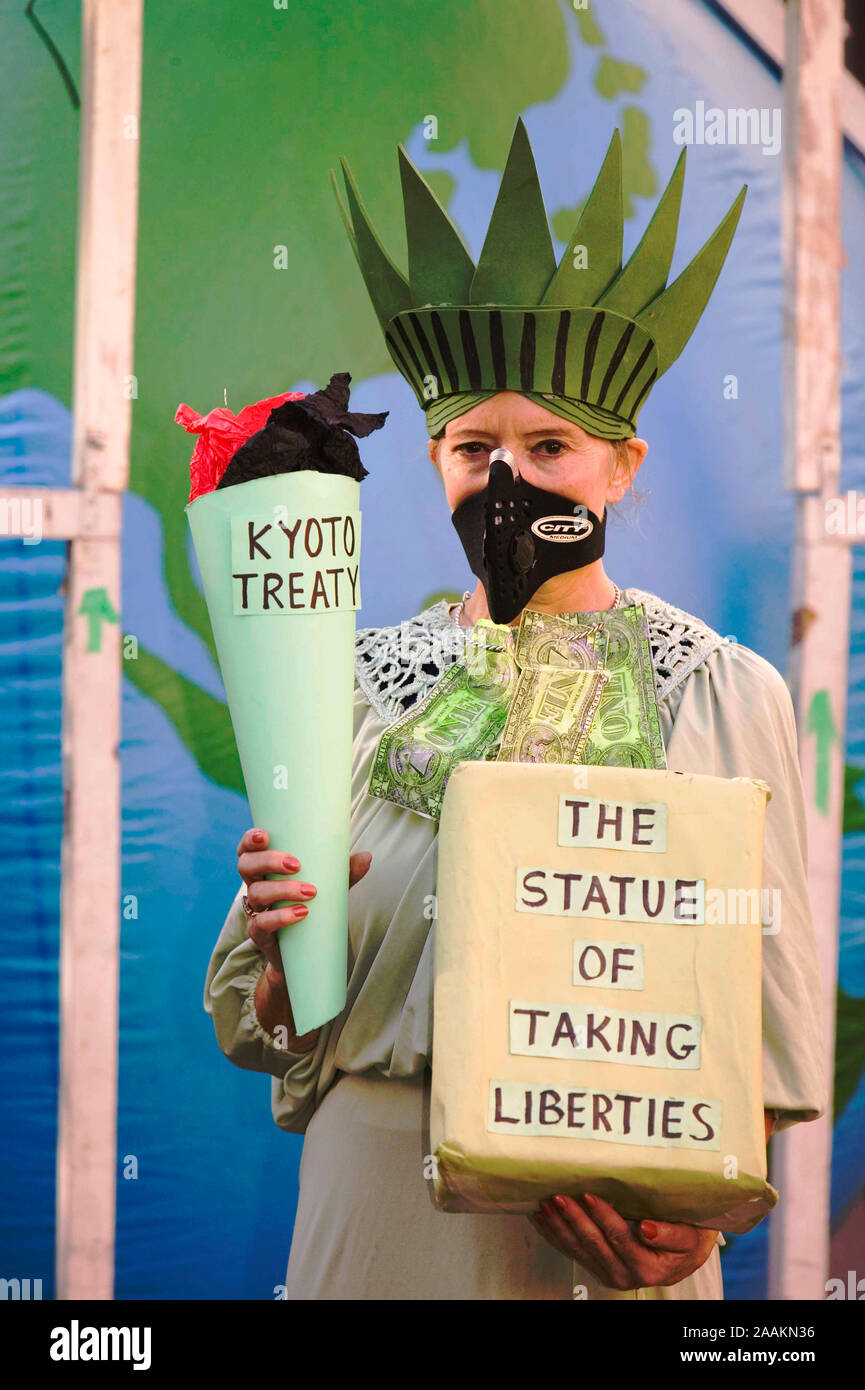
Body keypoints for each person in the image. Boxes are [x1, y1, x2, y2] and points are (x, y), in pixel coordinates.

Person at [204, 124, 828, 1299]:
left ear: (622, 466)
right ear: (434, 460)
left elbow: (764, 1008)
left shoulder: (721, 689)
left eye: (548, 445)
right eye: (471, 446)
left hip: (613, 1212)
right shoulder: (343, 688)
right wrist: (288, 987)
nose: (507, 478)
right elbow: (265, 1034)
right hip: (381, 1203)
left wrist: (700, 1221)